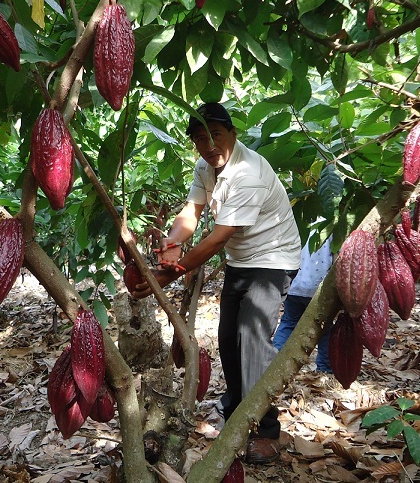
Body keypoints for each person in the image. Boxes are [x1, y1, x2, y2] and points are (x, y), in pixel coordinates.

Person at [129, 102, 301, 464]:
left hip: (273, 260)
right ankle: (238, 415)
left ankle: (267, 431)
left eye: (215, 135)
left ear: (232, 134)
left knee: (252, 341)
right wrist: (171, 247)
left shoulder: (247, 172)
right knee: (228, 340)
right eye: (199, 138)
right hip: (242, 260)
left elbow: (217, 237)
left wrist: (169, 273)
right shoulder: (205, 168)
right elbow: (191, 213)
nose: (208, 145)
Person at [273, 232, 334, 373]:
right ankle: (325, 369)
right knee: (325, 328)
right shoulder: (331, 225)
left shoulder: (297, 220)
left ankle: (274, 361)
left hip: (294, 283)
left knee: (288, 322)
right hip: (319, 287)